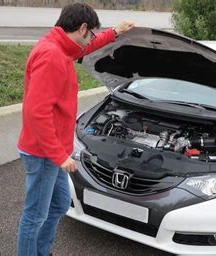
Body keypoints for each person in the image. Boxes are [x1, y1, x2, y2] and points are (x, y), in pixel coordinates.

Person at [16, 3, 134, 255]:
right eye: (91, 33)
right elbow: (36, 113)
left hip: (55, 152)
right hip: (45, 154)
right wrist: (59, 156)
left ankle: (41, 251)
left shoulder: (61, 47)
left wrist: (114, 33)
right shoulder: (51, 56)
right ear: (82, 28)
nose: (90, 39)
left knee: (58, 205)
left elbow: (85, 47)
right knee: (34, 216)